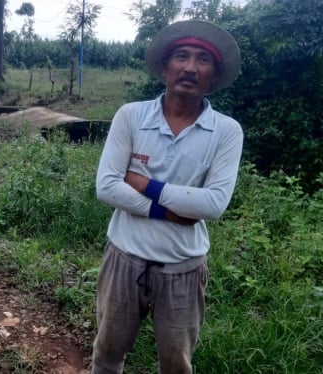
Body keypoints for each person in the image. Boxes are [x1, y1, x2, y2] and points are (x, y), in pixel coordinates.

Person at [92, 20, 244, 374]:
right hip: (123, 260)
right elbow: (107, 187)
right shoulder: (131, 116)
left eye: (203, 60)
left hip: (183, 269)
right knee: (107, 354)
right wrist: (169, 213)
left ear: (214, 74)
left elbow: (213, 204)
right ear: (165, 67)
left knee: (176, 365)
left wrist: (146, 184)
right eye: (181, 56)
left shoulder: (226, 131)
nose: (191, 67)